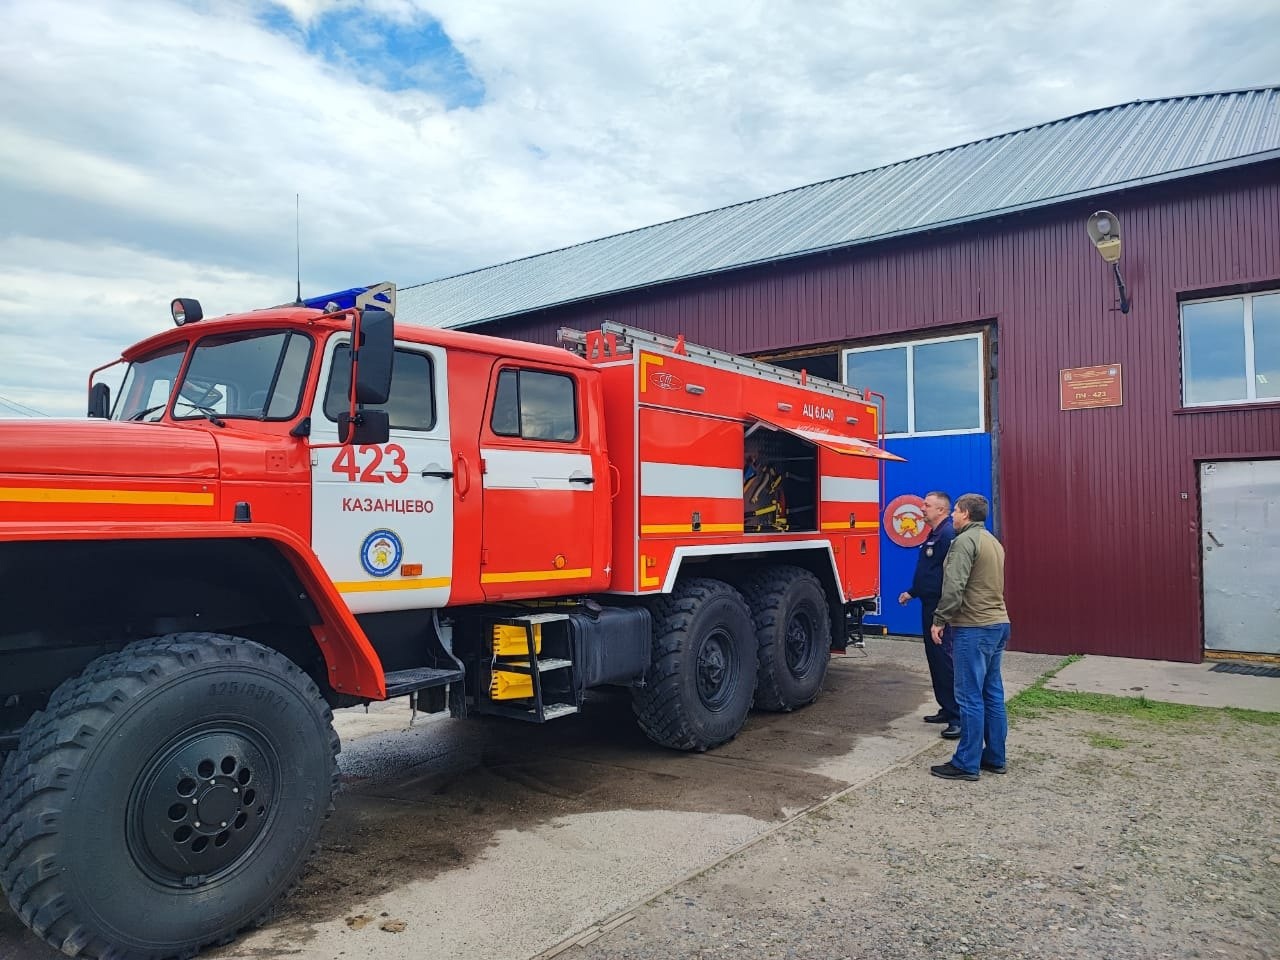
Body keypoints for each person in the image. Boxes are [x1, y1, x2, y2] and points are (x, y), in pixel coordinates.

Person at [928, 493, 1010, 782]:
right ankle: (995, 757)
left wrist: (940, 620)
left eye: (956, 512)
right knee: (992, 693)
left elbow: (954, 587)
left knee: (969, 696)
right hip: (998, 623)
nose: (952, 516)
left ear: (965, 513)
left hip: (973, 627)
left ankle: (966, 762)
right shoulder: (992, 541)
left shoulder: (963, 542)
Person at [897, 491, 960, 739]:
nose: (922, 508)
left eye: (927, 505)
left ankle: (958, 716)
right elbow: (929, 571)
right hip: (927, 604)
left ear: (941, 510)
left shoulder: (947, 535)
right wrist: (912, 592)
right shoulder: (934, 534)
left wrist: (943, 614)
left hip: (940, 608)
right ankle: (946, 707)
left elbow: (950, 577)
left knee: (945, 659)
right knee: (934, 659)